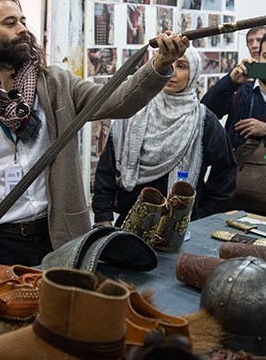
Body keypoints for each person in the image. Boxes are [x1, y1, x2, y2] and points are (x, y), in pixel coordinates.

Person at [0, 0, 189, 278]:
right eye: (9, 23)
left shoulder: (56, 84)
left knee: (64, 317)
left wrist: (159, 65)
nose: (22, 30)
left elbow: (119, 100)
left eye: (22, 21)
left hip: (59, 236)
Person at [92, 47, 237, 227]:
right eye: (167, 63)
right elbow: (107, 167)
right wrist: (103, 217)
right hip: (129, 225)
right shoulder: (132, 110)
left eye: (182, 66)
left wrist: (202, 217)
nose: (172, 71)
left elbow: (225, 173)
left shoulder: (203, 121)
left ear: (193, 73)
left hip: (179, 230)